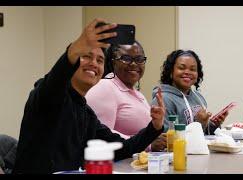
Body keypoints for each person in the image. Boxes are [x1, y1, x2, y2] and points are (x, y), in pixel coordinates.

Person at [13, 18, 165, 174]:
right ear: (72, 61)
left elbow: (121, 148)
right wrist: (77, 46)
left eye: (100, 60)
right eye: (86, 56)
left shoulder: (86, 113)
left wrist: (154, 127)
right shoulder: (48, 95)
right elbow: (56, 79)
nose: (94, 63)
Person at [85, 41, 166, 152]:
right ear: (113, 62)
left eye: (139, 59)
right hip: (114, 166)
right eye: (126, 58)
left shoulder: (137, 94)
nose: (133, 64)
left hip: (135, 164)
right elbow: (101, 138)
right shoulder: (105, 87)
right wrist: (148, 144)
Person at [151, 49, 243, 136]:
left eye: (193, 69)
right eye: (181, 68)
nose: (187, 72)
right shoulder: (163, 99)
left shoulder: (198, 97)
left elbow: (204, 133)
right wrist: (200, 125)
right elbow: (164, 139)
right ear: (171, 72)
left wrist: (213, 125)